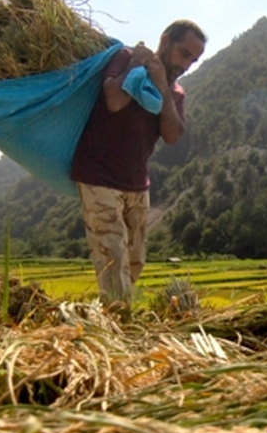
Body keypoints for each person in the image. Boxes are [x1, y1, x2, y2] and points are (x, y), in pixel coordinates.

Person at [71, 19, 206, 302]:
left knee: (134, 262)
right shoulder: (126, 58)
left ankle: (113, 319)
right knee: (113, 260)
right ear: (166, 40)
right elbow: (114, 100)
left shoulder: (176, 92)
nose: (186, 65)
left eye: (193, 60)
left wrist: (162, 86)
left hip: (137, 184)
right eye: (184, 54)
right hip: (99, 176)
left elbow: (172, 134)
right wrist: (138, 66)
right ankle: (122, 328)